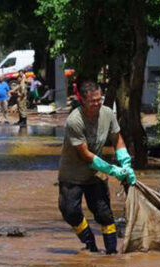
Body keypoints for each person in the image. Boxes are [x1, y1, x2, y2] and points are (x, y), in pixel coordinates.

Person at [57, 81, 136, 254]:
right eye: (93, 101)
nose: (97, 103)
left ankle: (111, 253)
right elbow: (84, 155)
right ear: (82, 100)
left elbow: (117, 138)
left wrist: (125, 161)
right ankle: (89, 242)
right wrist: (113, 170)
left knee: (104, 214)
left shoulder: (107, 113)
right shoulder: (74, 121)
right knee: (69, 211)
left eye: (99, 99)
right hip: (73, 173)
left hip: (96, 173)